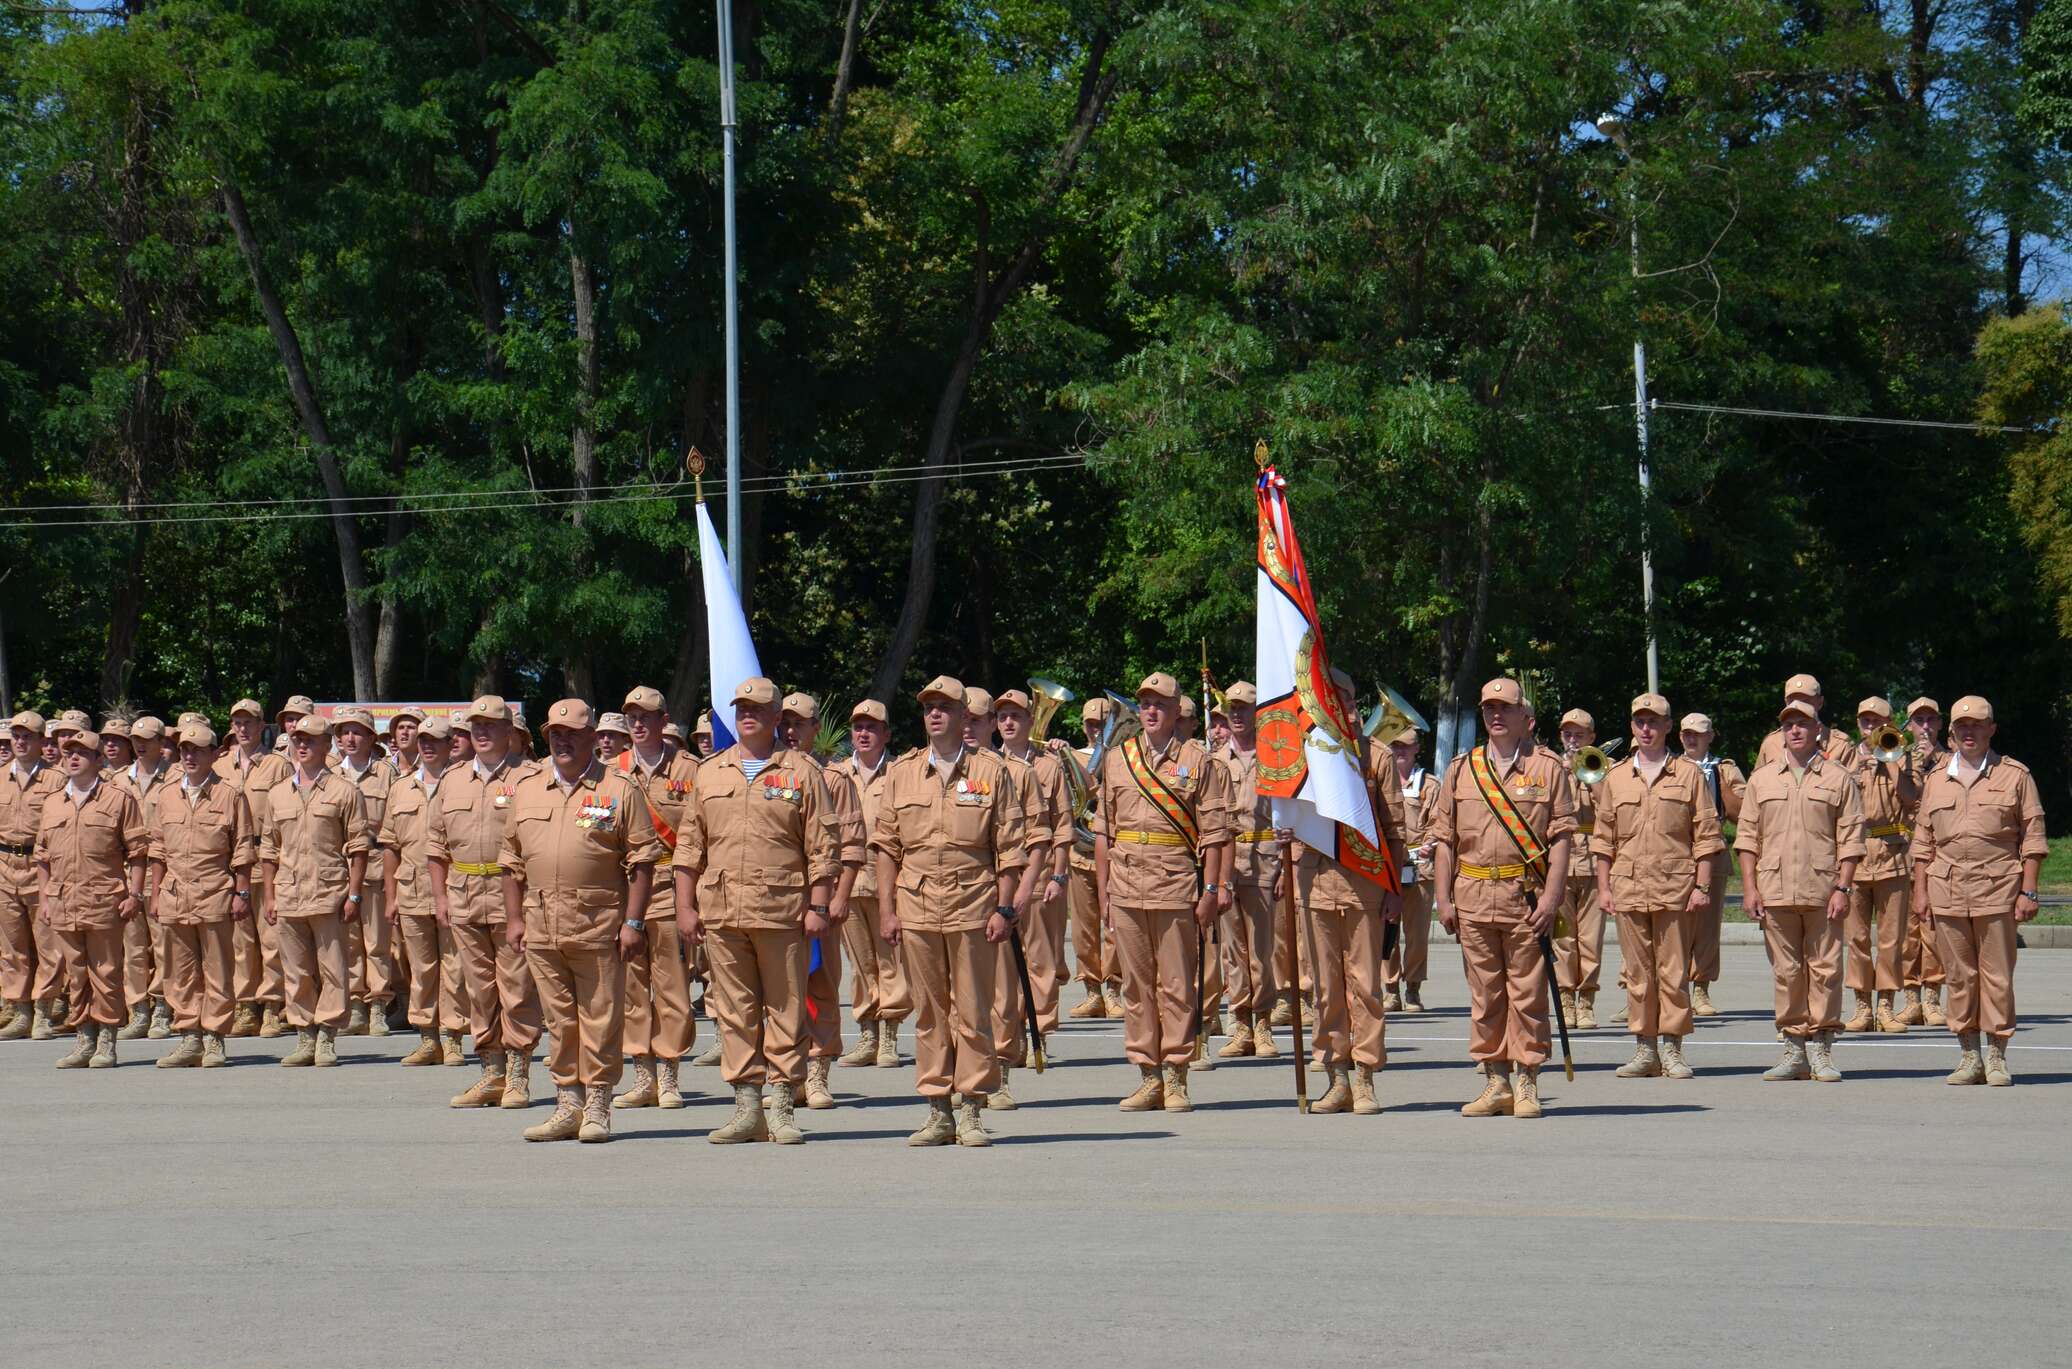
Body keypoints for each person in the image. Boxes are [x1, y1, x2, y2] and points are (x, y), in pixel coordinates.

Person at [671, 677, 838, 1145]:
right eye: (742, 708)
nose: (749, 715)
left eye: (759, 709)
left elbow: (823, 848)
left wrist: (819, 905)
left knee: (786, 1009)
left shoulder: (802, 772)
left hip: (782, 910)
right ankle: (747, 1107)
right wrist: (685, 907)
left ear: (776, 717)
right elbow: (689, 847)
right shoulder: (710, 772)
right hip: (722, 912)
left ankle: (782, 1105)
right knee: (734, 1012)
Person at [498, 699, 663, 1143]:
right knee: (559, 1020)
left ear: (594, 738)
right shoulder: (528, 787)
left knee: (600, 1016)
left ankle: (597, 1105)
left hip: (599, 925)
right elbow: (510, 860)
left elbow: (643, 859)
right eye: (555, 734)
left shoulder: (619, 788)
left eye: (572, 733)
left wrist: (634, 923)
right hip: (541, 925)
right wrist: (514, 919)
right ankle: (567, 1102)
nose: (563, 740)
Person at [871, 676, 1026, 1145]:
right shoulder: (902, 771)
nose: (935, 714)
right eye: (928, 708)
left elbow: (1010, 848)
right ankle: (938, 1109)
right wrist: (887, 910)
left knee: (973, 1010)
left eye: (944, 707)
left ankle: (973, 1108)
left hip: (974, 905)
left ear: (964, 716)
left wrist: (1004, 907)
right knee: (930, 1012)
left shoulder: (990, 771)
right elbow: (885, 847)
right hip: (916, 905)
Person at [1431, 678, 1576, 1119]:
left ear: (1522, 717)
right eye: (1489, 708)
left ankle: (1528, 1080)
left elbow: (1563, 837)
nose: (1496, 715)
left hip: (1524, 898)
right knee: (1485, 995)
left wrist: (1552, 899)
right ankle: (1496, 1080)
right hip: (1472, 895)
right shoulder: (1462, 768)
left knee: (1528, 992)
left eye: (1505, 708)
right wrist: (1443, 899)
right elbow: (1443, 839)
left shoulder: (1548, 768)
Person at [1093, 671, 1233, 1113]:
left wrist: (1211, 889)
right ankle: (1147, 1075)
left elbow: (1216, 834)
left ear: (1177, 711)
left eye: (1160, 704)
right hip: (1127, 883)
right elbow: (1103, 832)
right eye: (1145, 704)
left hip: (1175, 885)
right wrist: (1103, 891)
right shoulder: (1119, 758)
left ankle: (1176, 1075)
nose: (1151, 711)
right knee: (1136, 987)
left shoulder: (1200, 761)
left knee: (1176, 985)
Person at [1911, 696, 2046, 1086]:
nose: (1969, 732)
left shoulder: (2015, 776)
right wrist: (1921, 892)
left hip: (1998, 889)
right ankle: (1969, 1055)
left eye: (1977, 725)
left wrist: (2029, 891)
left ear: (1992, 730)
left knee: (1997, 975)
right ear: (1951, 733)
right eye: (1962, 726)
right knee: (1959, 976)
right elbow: (1923, 842)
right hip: (1947, 890)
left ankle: (1998, 1055)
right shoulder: (1936, 780)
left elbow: (2033, 839)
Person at [1592, 693, 1724, 1081]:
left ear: (1669, 727)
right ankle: (1644, 1048)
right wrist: (1604, 888)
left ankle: (1672, 1049)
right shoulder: (1615, 777)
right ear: (1632, 727)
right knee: (1638, 973)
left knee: (1673, 971)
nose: (1646, 729)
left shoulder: (1688, 775)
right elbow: (1603, 839)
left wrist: (1701, 886)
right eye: (1640, 722)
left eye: (1654, 722)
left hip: (1676, 890)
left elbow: (1707, 836)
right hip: (1629, 888)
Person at [1294, 670, 1406, 1115]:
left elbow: (1395, 832)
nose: (1333, 704)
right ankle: (1335, 1076)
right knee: (1324, 987)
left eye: (1340, 697)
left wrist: (1395, 889)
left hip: (1365, 885)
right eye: (1325, 697)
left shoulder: (1374, 755)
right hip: (1315, 882)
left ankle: (1364, 1078)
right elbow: (1286, 810)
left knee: (1365, 985)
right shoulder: (1306, 755)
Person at [1736, 699, 1866, 1082]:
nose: (1795, 730)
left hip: (1823, 889)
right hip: (1774, 890)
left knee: (1826, 970)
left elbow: (1852, 839)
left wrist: (1843, 886)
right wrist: (1749, 888)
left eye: (1803, 724)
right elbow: (1747, 839)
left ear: (1817, 729)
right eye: (1788, 724)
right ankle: (1794, 1049)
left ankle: (1822, 1049)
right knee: (1787, 972)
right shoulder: (1762, 779)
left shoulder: (1838, 777)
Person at [427, 695, 543, 1108]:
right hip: (463, 895)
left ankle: (518, 1072)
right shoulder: (452, 778)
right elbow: (435, 845)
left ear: (509, 733)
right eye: (475, 725)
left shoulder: (530, 777)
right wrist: (440, 897)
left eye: (491, 725)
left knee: (516, 987)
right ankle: (490, 1070)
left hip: (513, 894)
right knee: (478, 989)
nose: (481, 731)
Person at [257, 715, 370, 1068]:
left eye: (310, 740)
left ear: (327, 745)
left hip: (329, 892)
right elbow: (268, 849)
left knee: (334, 968)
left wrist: (353, 894)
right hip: (289, 893)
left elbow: (358, 846)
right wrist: (270, 896)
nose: (302, 745)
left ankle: (327, 1036)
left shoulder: (344, 791)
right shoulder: (277, 794)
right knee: (296, 970)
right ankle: (304, 1035)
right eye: (297, 740)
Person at [144, 722, 257, 1068]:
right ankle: (189, 1037)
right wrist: (155, 892)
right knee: (180, 972)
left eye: (198, 750)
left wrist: (242, 892)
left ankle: (214, 1039)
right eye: (184, 750)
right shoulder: (166, 796)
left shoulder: (230, 795)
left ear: (214, 754)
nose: (190, 755)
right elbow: (157, 849)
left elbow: (242, 850)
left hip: (214, 893)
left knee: (218, 970)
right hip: (175, 896)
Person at [610, 685, 701, 1110]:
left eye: (647, 715)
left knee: (671, 986)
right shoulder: (611, 771)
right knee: (630, 986)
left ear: (664, 720)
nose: (638, 722)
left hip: (670, 883)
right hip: (624, 888)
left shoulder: (691, 770)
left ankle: (669, 1072)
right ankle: (642, 1074)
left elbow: (703, 834)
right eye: (632, 715)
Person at [38, 730, 149, 1068]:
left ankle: (106, 1040)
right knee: (76, 973)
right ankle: (83, 1037)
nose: (73, 758)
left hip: (104, 900)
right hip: (63, 901)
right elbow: (43, 856)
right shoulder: (53, 801)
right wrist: (44, 899)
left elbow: (139, 852)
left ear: (98, 760)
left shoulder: (118, 798)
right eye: (69, 752)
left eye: (82, 753)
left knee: (107, 972)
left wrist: (134, 894)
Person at [780, 690, 866, 1112]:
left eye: (800, 724)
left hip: (819, 901)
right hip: (774, 902)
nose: (791, 731)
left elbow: (851, 846)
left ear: (817, 729)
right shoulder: (769, 776)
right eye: (786, 723)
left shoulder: (835, 780)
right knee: (778, 992)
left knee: (820, 986)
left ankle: (817, 1071)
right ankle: (786, 1073)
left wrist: (840, 896)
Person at [379, 715, 468, 1066]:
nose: (427, 745)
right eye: (423, 739)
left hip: (454, 890)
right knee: (422, 967)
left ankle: (454, 1036)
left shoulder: (462, 784)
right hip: (411, 889)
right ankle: (428, 1037)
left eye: (436, 740)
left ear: (451, 745)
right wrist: (390, 896)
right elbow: (390, 846)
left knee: (455, 967)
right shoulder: (401, 787)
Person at [994, 688, 1072, 1069]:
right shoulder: (989, 765)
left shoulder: (1049, 766)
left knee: (1040, 961)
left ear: (1029, 721)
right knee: (1005, 964)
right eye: (1002, 717)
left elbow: (1062, 825)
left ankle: (1037, 1030)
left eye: (1016, 716)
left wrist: (1059, 874)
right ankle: (1010, 1034)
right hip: (1005, 876)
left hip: (1039, 877)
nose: (1008, 722)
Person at [830, 700, 909, 1069]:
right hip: (847, 882)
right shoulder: (835, 774)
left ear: (886, 734)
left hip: (886, 883)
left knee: (889, 960)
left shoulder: (899, 773)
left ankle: (890, 1034)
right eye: (858, 727)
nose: (863, 734)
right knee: (860, 963)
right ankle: (867, 1032)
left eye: (872, 727)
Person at [1843, 697, 1922, 1034]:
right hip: (1857, 855)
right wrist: (1857, 767)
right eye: (1865, 721)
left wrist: (1890, 761)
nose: (1870, 727)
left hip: (1893, 855)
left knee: (1892, 938)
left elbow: (1912, 797)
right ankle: (1863, 1007)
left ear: (1890, 723)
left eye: (1877, 721)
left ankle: (1886, 1006)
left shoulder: (1906, 756)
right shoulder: (1847, 757)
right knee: (1857, 937)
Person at [215, 698, 291, 1038]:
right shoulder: (219, 768)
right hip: (232, 860)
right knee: (240, 940)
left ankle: (273, 1004)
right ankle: (245, 1005)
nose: (243, 729)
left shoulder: (278, 766)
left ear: (262, 727)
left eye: (250, 722)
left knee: (271, 935)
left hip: (268, 857)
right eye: (238, 723)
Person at [1214, 682, 1281, 1057]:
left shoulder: (1275, 757)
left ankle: (1263, 1021)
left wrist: (1286, 868)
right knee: (1232, 949)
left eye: (1244, 708)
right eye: (1232, 709)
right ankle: (1239, 1022)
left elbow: (1289, 815)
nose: (1237, 715)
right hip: (1227, 857)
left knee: (1261, 947)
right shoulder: (1215, 759)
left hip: (1264, 856)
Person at [332, 707, 400, 1036]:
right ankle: (355, 1003)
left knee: (377, 942)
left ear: (372, 738)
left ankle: (378, 1006)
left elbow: (396, 825)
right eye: (344, 732)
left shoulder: (387, 774)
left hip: (374, 865)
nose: (350, 738)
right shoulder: (330, 773)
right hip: (339, 868)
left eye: (357, 732)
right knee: (348, 943)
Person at [0, 711, 64, 1041]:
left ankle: (43, 1011)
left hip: (42, 868)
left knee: (48, 943)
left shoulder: (57, 781)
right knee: (12, 946)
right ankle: (20, 1010)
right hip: (5, 865)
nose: (21, 742)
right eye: (17, 736)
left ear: (42, 742)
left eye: (28, 737)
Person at [1677, 713, 1744, 1017]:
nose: (1691, 739)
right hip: (1676, 851)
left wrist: (1716, 780)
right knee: (1671, 926)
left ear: (1711, 736)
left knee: (1706, 927)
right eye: (1686, 734)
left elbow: (1742, 812)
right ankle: (1668, 988)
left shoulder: (1725, 769)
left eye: (1698, 734)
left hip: (1712, 850)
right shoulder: (1669, 767)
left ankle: (1701, 989)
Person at [117, 716, 176, 1039]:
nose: (140, 745)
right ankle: (138, 1009)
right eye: (136, 740)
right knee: (133, 946)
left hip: (162, 871)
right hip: (126, 872)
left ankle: (163, 1008)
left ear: (160, 743)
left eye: (148, 740)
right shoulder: (117, 781)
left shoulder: (175, 778)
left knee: (164, 944)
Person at [1064, 697, 1121, 1019]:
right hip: (1080, 851)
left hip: (1111, 851)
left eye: (1101, 725)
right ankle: (1091, 991)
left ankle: (1114, 989)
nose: (1096, 730)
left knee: (1113, 924)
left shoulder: (1122, 757)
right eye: (1091, 724)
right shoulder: (1071, 755)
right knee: (1084, 930)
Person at [1551, 708, 1604, 1030]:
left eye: (1579, 735)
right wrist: (1566, 771)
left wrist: (1587, 771)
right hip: (1561, 863)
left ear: (1591, 738)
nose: (1573, 741)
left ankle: (1587, 1000)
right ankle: (1565, 996)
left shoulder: (1600, 768)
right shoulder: (1551, 768)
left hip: (1594, 863)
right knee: (1563, 937)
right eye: (1568, 735)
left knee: (1591, 939)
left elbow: (1608, 808)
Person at [1901, 697, 1950, 1026]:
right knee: (1906, 931)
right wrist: (1911, 764)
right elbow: (1903, 799)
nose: (1926, 727)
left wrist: (1932, 761)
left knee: (1932, 928)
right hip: (1903, 850)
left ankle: (1932, 996)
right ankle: (1910, 997)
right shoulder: (1897, 758)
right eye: (1919, 721)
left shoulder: (1952, 760)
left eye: (1931, 720)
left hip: (1938, 853)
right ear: (1909, 726)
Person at [1384, 724, 1438, 1018]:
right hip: (1389, 866)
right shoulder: (1380, 782)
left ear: (1417, 748)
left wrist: (1428, 844)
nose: (1399, 751)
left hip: (1419, 868)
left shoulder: (1428, 784)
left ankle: (1413, 987)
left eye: (1405, 745)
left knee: (1416, 934)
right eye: (1394, 745)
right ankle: (1390, 989)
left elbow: (1438, 821)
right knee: (1387, 929)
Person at [1755, 674, 1856, 768]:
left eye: (1805, 702)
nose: (1798, 707)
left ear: (1820, 702)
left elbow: (1853, 785)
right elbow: (1757, 783)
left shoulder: (1840, 745)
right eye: (1792, 701)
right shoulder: (1772, 744)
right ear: (1786, 703)